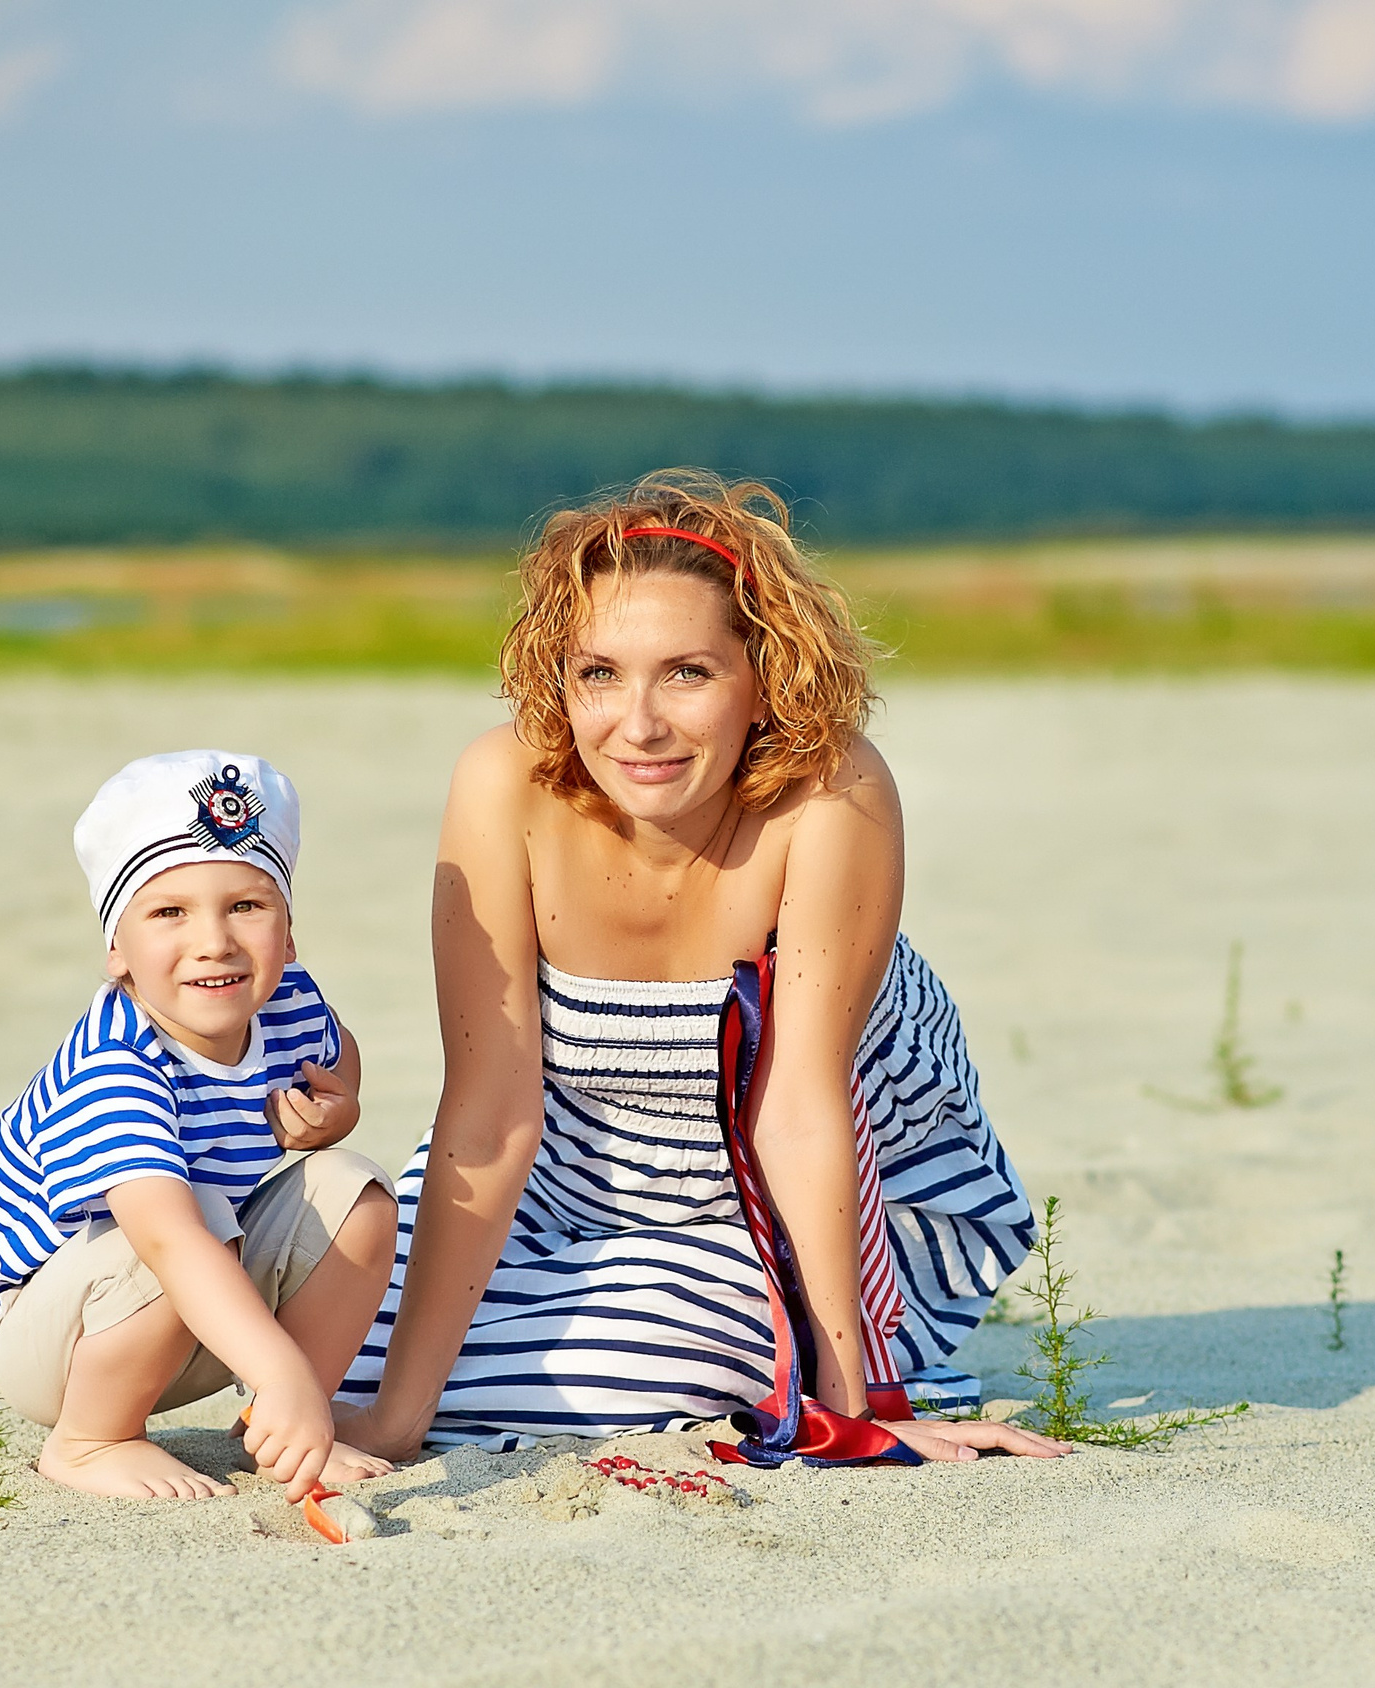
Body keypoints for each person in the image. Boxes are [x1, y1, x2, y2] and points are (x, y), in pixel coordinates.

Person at [338, 471, 1069, 1465]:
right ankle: (576, 1324)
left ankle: (749, 1340)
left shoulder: (831, 793)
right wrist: (393, 1416)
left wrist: (850, 1408)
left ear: (763, 677)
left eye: (686, 673)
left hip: (798, 1203)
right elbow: (489, 1108)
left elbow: (804, 1109)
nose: (636, 725)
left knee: (647, 1363)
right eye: (598, 673)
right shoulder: (500, 782)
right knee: (338, 1354)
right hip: (568, 1177)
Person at [0, 750, 398, 1501]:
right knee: (195, 1216)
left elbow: (339, 1051)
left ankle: (276, 1423)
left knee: (359, 1191)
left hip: (189, 1304)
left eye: (246, 906)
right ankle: (91, 1441)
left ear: (288, 933)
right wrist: (275, 1361)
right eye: (169, 912)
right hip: (45, 1335)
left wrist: (339, 1103)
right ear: (117, 950)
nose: (213, 940)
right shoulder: (115, 1063)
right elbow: (164, 1236)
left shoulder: (286, 1003)